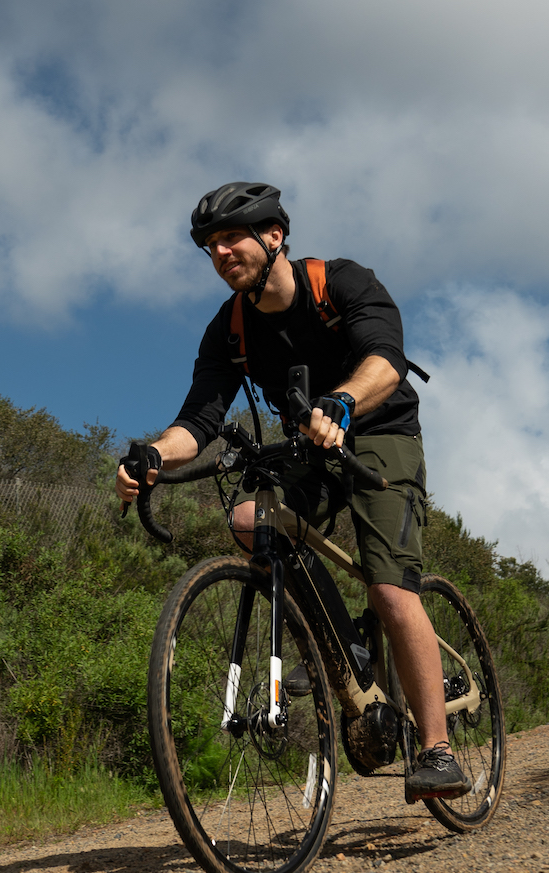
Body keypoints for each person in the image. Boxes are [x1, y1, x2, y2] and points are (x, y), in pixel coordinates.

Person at [115, 181, 467, 800]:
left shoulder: (342, 283)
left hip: (382, 431)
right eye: (211, 246)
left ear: (273, 236)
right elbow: (198, 421)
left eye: (232, 238)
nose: (221, 253)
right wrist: (151, 455)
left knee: (388, 585)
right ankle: (342, 648)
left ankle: (437, 750)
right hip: (309, 445)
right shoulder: (229, 331)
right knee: (253, 520)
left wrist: (343, 401)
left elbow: (387, 356)